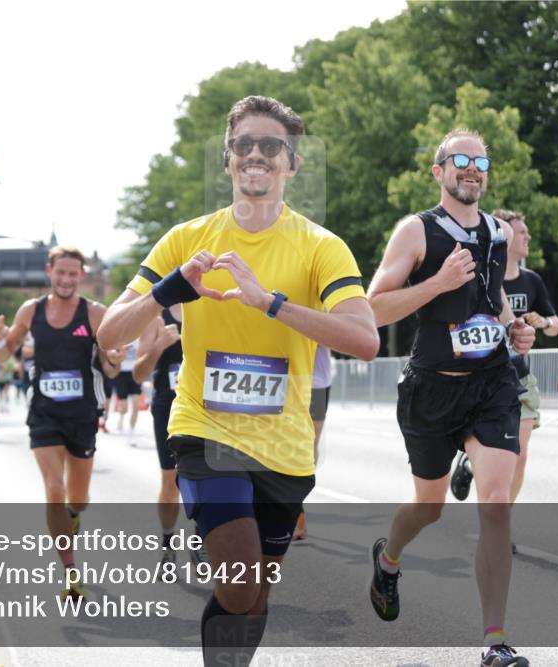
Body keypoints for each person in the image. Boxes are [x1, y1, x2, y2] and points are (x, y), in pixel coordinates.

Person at [97, 95, 378, 666]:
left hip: (285, 449)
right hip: (204, 431)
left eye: (271, 145)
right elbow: (109, 333)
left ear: (292, 163)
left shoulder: (321, 247)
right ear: (227, 160)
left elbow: (365, 339)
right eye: (243, 144)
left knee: (254, 596)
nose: (256, 154)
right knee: (240, 585)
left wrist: (269, 303)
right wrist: (169, 289)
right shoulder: (186, 239)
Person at [366, 129, 536, 667]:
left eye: (480, 161)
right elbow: (373, 308)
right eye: (460, 159)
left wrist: (515, 327)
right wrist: (437, 283)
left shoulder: (498, 233)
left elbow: (496, 296)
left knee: (495, 502)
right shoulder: (415, 233)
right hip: (432, 389)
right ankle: (388, 560)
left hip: (492, 384)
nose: (472, 168)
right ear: (437, 171)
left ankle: (495, 641)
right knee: (430, 507)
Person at [0, 245, 123, 601]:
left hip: (82, 414)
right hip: (44, 412)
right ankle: (70, 572)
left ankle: (73, 516)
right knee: (54, 490)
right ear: (49, 272)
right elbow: (3, 357)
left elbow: (110, 367)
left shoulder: (95, 314)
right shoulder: (31, 311)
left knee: (78, 499)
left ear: (81, 275)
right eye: (60, 272)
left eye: (72, 273)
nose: (66, 279)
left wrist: (114, 359)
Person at [450, 209, 558, 516]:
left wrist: (544, 320)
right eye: (521, 232)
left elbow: (555, 324)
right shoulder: (483, 276)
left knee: (519, 455)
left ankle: (501, 522)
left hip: (520, 378)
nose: (526, 237)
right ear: (505, 239)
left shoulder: (532, 280)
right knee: (496, 454)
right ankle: (471, 465)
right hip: (484, 377)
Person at [132, 305, 183, 564]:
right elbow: (139, 373)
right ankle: (168, 543)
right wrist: (159, 345)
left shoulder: (213, 305)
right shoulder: (157, 317)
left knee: (211, 478)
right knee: (171, 482)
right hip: (169, 407)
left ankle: (202, 539)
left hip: (209, 407)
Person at [292, 344, 333, 541]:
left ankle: (296, 505)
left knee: (308, 449)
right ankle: (292, 511)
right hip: (286, 379)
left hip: (317, 383)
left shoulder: (324, 310)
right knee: (286, 447)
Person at [113, 342, 141, 434]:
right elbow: (112, 352)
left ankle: (131, 430)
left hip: (135, 374)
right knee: (124, 407)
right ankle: (120, 420)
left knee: (136, 406)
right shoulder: (122, 336)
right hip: (122, 374)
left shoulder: (140, 338)